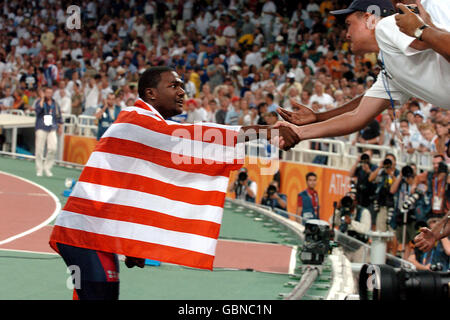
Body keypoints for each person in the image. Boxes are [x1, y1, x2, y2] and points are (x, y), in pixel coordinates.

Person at [49, 66, 300, 300]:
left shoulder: (149, 127)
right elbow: (194, 136)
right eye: (174, 86)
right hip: (84, 233)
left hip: (94, 233)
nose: (182, 91)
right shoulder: (136, 118)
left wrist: (130, 241)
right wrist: (265, 131)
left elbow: (136, 189)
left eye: (182, 86)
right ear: (151, 93)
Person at [275, 0, 450, 150]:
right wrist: (301, 130)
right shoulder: (390, 68)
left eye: (349, 24)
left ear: (369, 18)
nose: (347, 34)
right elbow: (356, 116)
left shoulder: (386, 26)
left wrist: (421, 30)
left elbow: (424, 38)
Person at [329, 191, 371, 262]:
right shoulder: (342, 211)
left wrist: (351, 222)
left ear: (356, 202)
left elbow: (365, 229)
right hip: (344, 247)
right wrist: (337, 209)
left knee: (358, 271)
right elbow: (332, 222)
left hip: (359, 247)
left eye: (351, 200)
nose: (349, 203)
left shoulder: (364, 212)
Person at [34, 87, 63, 177]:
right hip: (41, 126)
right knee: (39, 149)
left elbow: (59, 115)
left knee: (53, 148)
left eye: (50, 92)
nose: (49, 94)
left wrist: (60, 126)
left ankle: (47, 167)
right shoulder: (40, 101)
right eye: (47, 92)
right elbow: (38, 110)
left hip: (52, 127)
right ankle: (39, 169)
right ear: (44, 93)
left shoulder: (55, 103)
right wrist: (42, 98)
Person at [368, 153, 399, 231]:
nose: (389, 163)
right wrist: (380, 167)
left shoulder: (397, 173)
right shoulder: (381, 171)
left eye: (391, 161)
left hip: (393, 206)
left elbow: (397, 186)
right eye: (387, 160)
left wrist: (391, 174)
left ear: (395, 162)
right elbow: (370, 179)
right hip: (381, 205)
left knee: (391, 232)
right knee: (380, 230)